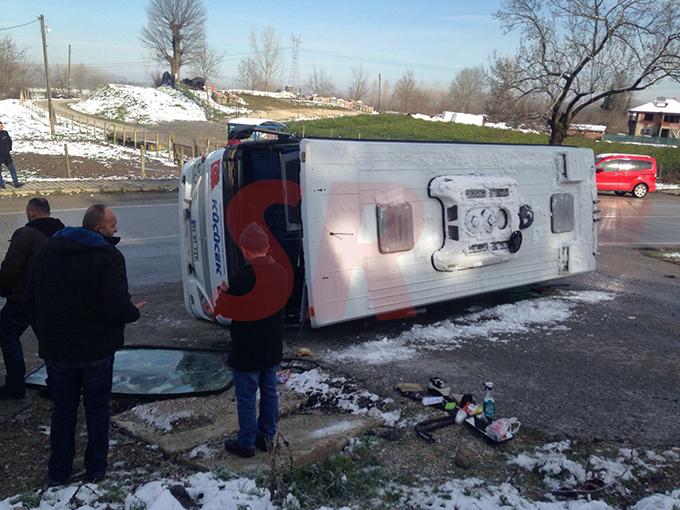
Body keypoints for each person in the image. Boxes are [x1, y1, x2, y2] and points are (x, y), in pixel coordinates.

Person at [26, 204, 143, 484]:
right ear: (97, 228)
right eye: (112, 225)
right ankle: (96, 470)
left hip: (58, 351)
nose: (116, 229)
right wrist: (134, 312)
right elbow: (116, 305)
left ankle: (59, 472)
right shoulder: (108, 256)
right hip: (96, 351)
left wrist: (46, 336)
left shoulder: (49, 251)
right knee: (97, 410)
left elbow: (32, 298)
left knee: (63, 411)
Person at [220, 222, 289, 458]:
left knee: (247, 397)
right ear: (267, 247)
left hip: (246, 350)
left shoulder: (242, 278)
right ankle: (268, 438)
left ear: (244, 249)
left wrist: (225, 293)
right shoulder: (281, 272)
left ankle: (246, 443)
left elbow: (225, 311)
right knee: (270, 392)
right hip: (271, 346)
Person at [0, 198, 64, 399]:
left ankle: (15, 385)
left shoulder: (26, 234)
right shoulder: (62, 233)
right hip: (51, 298)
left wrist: (3, 289)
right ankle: (57, 385)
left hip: (23, 298)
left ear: (31, 212)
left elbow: (11, 268)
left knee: (7, 334)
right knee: (49, 341)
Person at [0, 120, 22, 189]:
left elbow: (10, 141)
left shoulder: (5, 133)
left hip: (7, 155)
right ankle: (1, 184)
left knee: (12, 169)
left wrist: (9, 148)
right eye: (0, 125)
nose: (2, 126)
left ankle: (16, 183)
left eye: (2, 125)